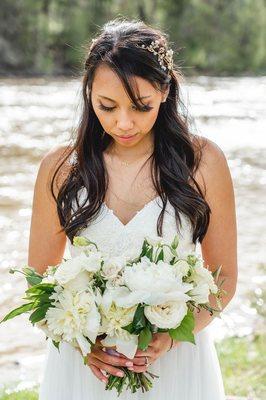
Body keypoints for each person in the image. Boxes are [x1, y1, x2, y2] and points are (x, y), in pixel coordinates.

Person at [28, 17, 237, 400]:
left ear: (165, 90)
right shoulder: (60, 170)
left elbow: (223, 282)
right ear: (89, 92)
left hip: (175, 365)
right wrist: (81, 343)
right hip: (85, 369)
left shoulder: (202, 163)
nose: (123, 122)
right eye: (106, 106)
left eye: (141, 106)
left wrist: (171, 337)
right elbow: (39, 281)